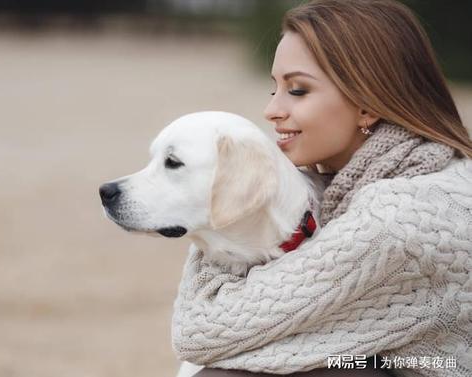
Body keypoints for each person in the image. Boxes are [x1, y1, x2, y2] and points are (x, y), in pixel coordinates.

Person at [171, 1, 472, 376]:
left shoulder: (396, 216)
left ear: (366, 105)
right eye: (274, 89)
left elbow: (201, 331)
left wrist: (221, 209)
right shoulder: (427, 174)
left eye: (297, 90)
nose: (272, 111)